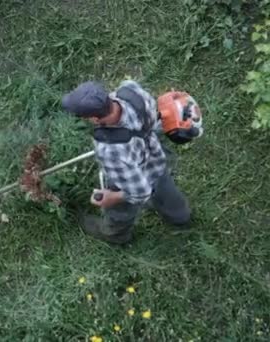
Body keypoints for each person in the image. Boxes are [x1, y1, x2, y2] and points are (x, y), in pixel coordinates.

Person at [61, 80, 192, 245]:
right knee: (163, 186)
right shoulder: (130, 90)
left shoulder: (111, 151)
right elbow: (153, 114)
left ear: (94, 119)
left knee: (120, 210)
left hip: (136, 174)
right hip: (155, 158)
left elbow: (139, 192)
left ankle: (116, 234)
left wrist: (112, 197)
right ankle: (180, 216)